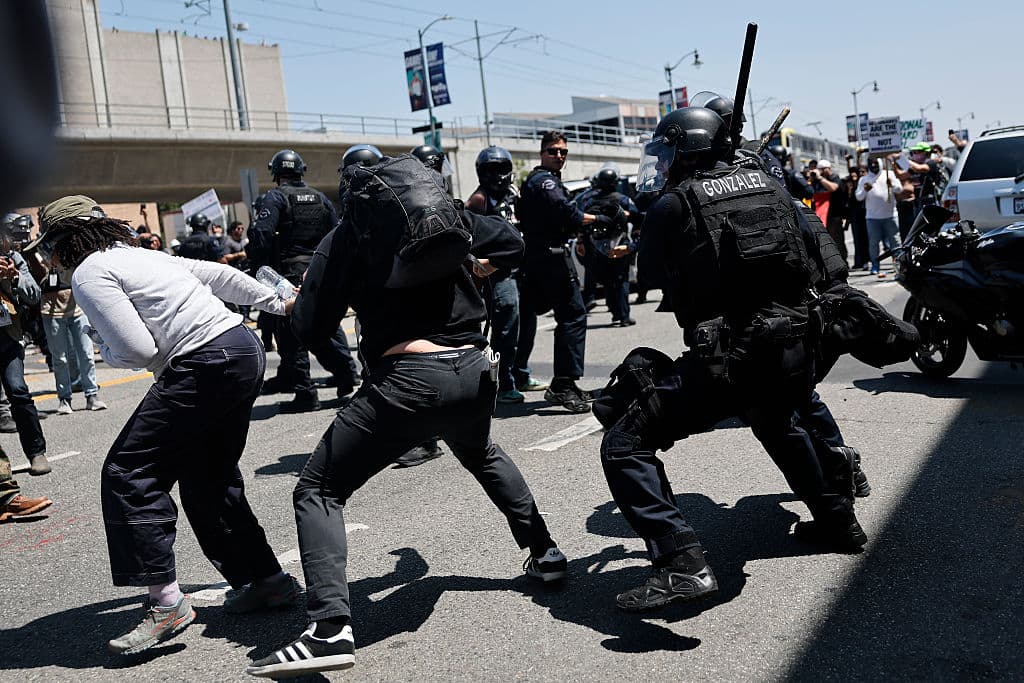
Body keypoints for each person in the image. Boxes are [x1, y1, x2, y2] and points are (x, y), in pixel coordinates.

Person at [246, 154, 568, 679]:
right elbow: (512, 243)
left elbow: (311, 327)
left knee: (318, 489)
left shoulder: (349, 235)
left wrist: (302, 299)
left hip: (410, 381)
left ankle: (329, 630)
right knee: (481, 451)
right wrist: (479, 266)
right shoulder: (447, 217)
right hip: (474, 370)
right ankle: (545, 551)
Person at [598, 107, 865, 612]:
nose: (664, 162)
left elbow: (652, 275)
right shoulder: (773, 186)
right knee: (777, 419)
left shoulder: (674, 204)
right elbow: (819, 252)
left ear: (687, 151)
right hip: (799, 348)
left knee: (625, 443)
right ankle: (839, 523)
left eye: (669, 152)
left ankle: (681, 565)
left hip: (733, 357)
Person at [29, 195, 301, 655]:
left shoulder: (89, 273)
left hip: (204, 363)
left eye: (49, 248)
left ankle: (166, 602)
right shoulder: (141, 255)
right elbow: (219, 276)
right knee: (208, 478)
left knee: (130, 471)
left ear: (64, 243)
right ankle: (267, 581)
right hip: (241, 349)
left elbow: (137, 351)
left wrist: (105, 347)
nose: (48, 258)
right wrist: (280, 300)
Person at [248, 149, 359, 412]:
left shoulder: (275, 197)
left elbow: (262, 234)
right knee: (327, 324)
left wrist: (261, 266)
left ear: (276, 173)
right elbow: (337, 233)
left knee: (289, 334)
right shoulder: (321, 198)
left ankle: (305, 393)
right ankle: (346, 374)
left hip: (289, 274)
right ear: (301, 170)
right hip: (319, 269)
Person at [516, 131, 612, 413]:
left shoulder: (547, 180)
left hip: (543, 256)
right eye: (553, 151)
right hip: (549, 258)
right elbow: (565, 212)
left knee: (534, 317)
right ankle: (563, 384)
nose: (559, 156)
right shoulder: (543, 180)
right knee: (573, 315)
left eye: (563, 152)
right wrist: (598, 219)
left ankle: (540, 379)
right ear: (542, 153)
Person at [465, 145, 526, 403]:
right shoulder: (478, 200)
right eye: (492, 169)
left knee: (523, 325)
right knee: (505, 324)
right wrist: (487, 264)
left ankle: (519, 373)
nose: (498, 175)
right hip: (497, 272)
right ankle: (502, 382)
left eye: (502, 169)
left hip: (519, 265)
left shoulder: (513, 194)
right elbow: (468, 242)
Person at [0, 221, 49, 476]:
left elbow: (34, 294)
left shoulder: (12, 257)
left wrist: (14, 277)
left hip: (8, 335)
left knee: (18, 390)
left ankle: (36, 453)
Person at [576, 167, 638, 326]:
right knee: (620, 280)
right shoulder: (623, 199)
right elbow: (636, 215)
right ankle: (624, 316)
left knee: (607, 281)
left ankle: (616, 314)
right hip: (618, 243)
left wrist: (581, 241)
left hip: (596, 246)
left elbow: (582, 222)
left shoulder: (589, 200)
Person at [855, 158, 901, 277]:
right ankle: (875, 265)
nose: (874, 165)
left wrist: (893, 185)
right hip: (872, 217)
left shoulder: (889, 174)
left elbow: (899, 189)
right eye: (871, 164)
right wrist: (865, 190)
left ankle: (898, 264)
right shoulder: (864, 179)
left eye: (876, 163)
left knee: (895, 242)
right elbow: (859, 197)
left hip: (890, 216)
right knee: (874, 243)